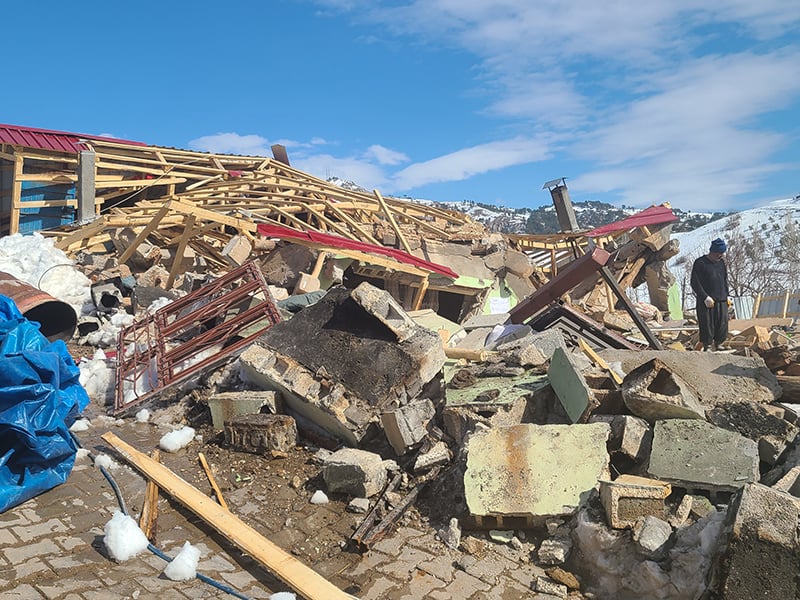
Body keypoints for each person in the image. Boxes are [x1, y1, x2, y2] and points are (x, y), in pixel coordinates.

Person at [690, 238, 730, 351]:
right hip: (707, 300)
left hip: (721, 298)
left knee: (722, 323)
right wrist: (704, 296)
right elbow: (695, 283)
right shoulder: (700, 263)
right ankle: (707, 345)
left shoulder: (721, 263)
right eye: (719, 253)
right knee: (707, 324)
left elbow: (724, 279)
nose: (721, 255)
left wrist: (727, 295)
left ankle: (719, 343)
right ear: (713, 252)